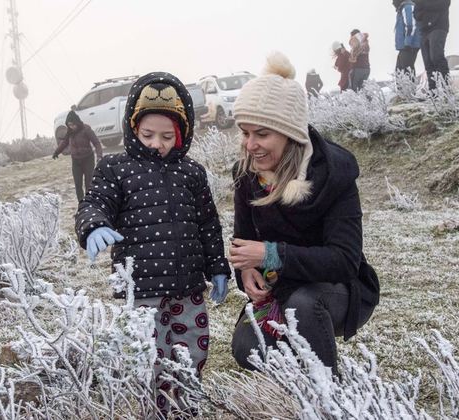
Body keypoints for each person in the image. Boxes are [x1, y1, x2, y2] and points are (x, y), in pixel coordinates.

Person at [74, 72, 231, 415]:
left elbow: (208, 224)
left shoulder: (192, 172)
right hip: (143, 288)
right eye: (147, 134)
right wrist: (94, 226)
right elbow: (94, 203)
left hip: (189, 286)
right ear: (133, 129)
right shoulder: (116, 168)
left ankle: (187, 404)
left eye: (166, 136)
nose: (156, 143)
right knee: (151, 355)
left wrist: (218, 267)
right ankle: (157, 410)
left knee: (192, 350)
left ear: (183, 134)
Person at [229, 52, 379, 375]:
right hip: (278, 291)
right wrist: (245, 272)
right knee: (246, 348)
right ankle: (297, 387)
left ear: (290, 133)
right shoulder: (245, 175)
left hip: (334, 290)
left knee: (304, 307)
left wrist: (269, 254)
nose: (250, 145)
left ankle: (328, 396)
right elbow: (243, 242)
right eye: (245, 132)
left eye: (262, 134)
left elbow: (343, 260)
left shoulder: (334, 175)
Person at [52, 110, 103, 201]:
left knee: (88, 184)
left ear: (77, 122)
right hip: (76, 161)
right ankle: (81, 204)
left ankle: (89, 202)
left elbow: (97, 143)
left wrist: (99, 156)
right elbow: (64, 143)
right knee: (78, 185)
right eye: (69, 125)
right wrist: (56, 152)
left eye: (73, 124)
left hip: (88, 159)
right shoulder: (69, 132)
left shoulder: (86, 129)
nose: (71, 127)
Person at [414, 0, 451, 90]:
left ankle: (445, 89)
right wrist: (424, 6)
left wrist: (424, 5)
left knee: (436, 57)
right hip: (424, 30)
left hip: (439, 26)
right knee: (428, 62)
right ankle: (433, 91)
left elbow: (444, 4)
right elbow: (416, 15)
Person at [394, 0, 422, 78]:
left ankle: (409, 89)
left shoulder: (407, 7)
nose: (392, 3)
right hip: (404, 46)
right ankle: (404, 89)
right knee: (399, 71)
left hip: (409, 45)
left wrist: (407, 42)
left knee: (406, 70)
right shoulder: (403, 8)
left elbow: (411, 25)